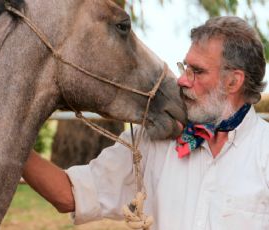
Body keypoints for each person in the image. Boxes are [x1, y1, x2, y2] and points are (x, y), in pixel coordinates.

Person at [22, 16, 269, 230]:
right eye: (185, 67)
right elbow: (70, 194)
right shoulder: (153, 142)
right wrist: (10, 143)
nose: (182, 80)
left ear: (233, 82)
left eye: (197, 71)